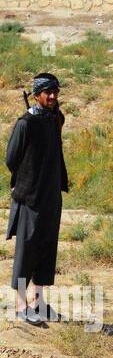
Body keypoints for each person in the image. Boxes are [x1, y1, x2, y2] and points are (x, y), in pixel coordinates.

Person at [7, 73, 68, 327]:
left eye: (55, 91)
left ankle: (38, 301)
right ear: (36, 95)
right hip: (30, 198)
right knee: (27, 250)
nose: (52, 96)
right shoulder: (25, 123)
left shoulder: (55, 119)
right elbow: (11, 159)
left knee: (46, 249)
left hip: (50, 196)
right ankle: (21, 305)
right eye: (47, 92)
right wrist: (27, 181)